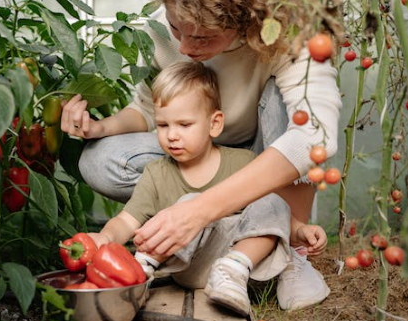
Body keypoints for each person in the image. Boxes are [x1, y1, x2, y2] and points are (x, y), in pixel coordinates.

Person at [61, 0, 341, 311]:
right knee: (99, 160)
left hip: (263, 153)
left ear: (245, 21)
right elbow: (148, 108)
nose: (183, 47)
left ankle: (290, 253)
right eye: (176, 29)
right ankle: (207, 242)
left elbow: (315, 135)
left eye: (203, 37)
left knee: (286, 105)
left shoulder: (291, 33)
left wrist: (198, 210)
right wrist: (100, 128)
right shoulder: (164, 26)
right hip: (200, 152)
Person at [88, 61, 324, 316]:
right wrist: (106, 237)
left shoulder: (242, 162)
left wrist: (300, 230)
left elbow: (270, 214)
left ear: (215, 124)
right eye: (163, 125)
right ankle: (142, 270)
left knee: (274, 201)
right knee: (189, 202)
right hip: (186, 265)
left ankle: (233, 269)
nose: (172, 135)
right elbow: (126, 220)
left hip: (238, 262)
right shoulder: (156, 172)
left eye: (185, 125)